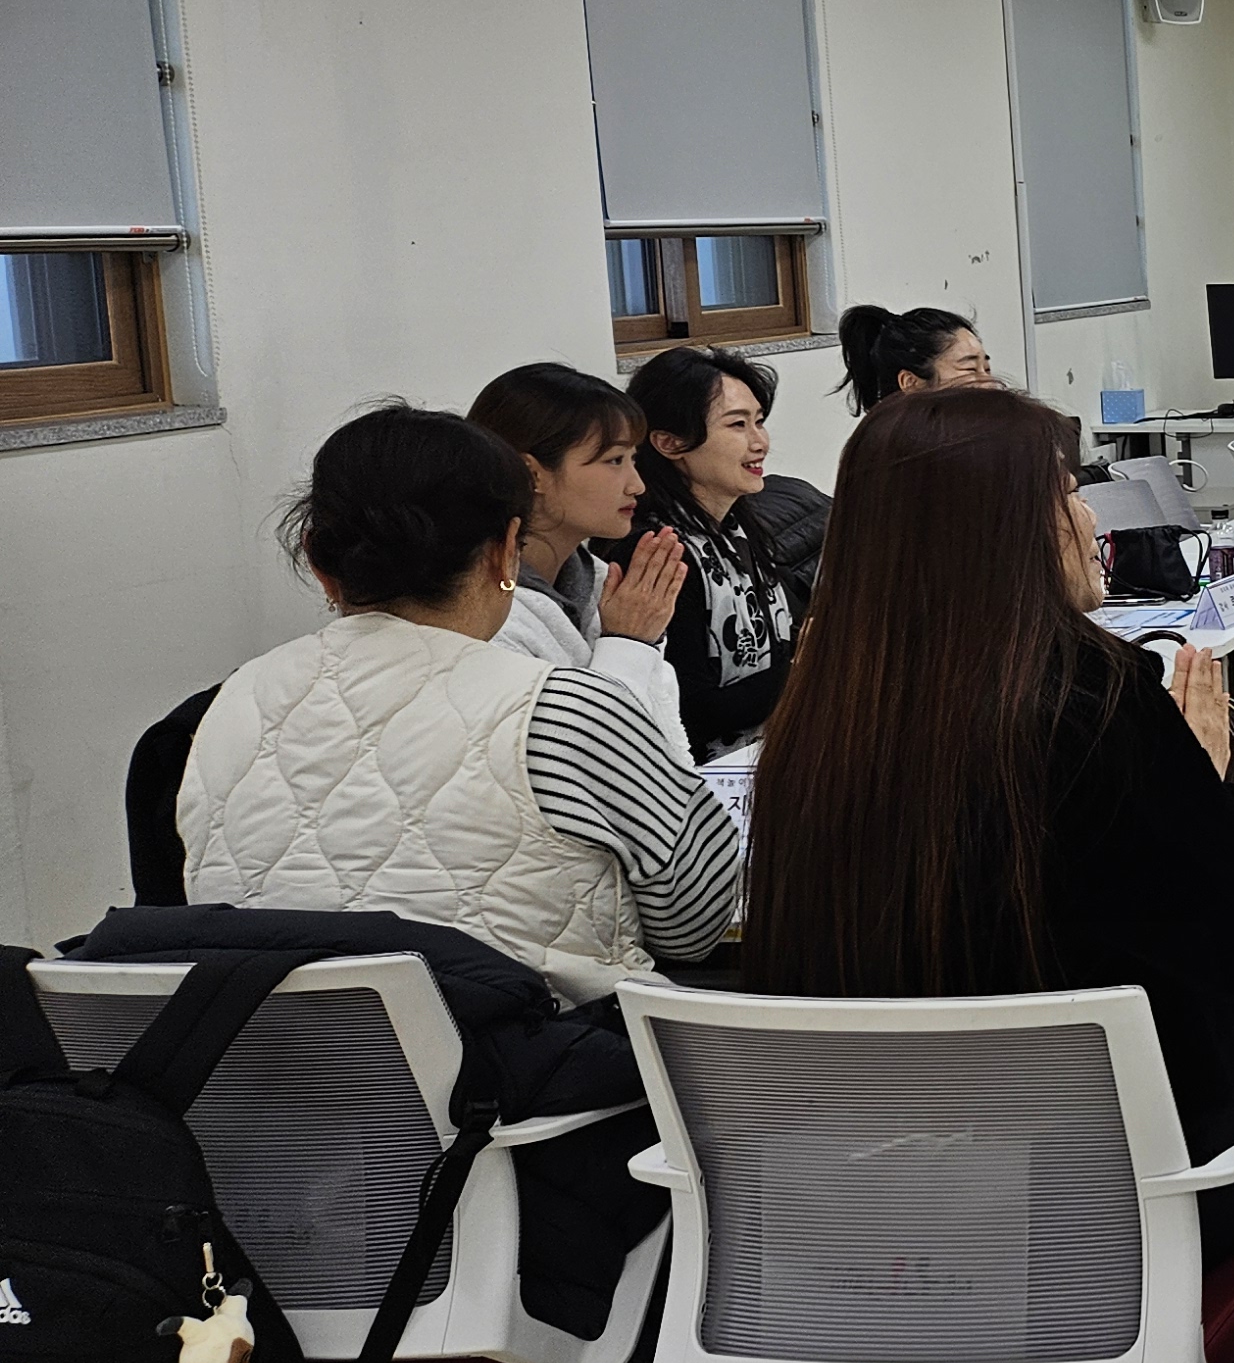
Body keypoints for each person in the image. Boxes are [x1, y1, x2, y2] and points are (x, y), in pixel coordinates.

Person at [740, 384, 1234, 1363]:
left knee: (1019, 1087)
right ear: (1003, 530)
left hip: (869, 1224)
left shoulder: (814, 724)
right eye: (1064, 494)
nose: (1091, 520)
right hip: (1092, 1231)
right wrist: (1213, 782)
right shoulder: (1094, 701)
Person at [179, 406, 743, 989]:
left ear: (320, 565)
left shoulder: (234, 701)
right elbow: (695, 924)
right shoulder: (561, 709)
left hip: (283, 1042)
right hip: (538, 1040)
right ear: (506, 550)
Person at [470, 361, 690, 757]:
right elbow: (570, 764)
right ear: (531, 474)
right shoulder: (483, 616)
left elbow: (664, 734)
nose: (637, 485)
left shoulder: (601, 581)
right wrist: (627, 643)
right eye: (614, 460)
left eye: (633, 459)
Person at [623, 345, 799, 758]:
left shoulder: (738, 526)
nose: (760, 442)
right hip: (709, 773)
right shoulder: (658, 551)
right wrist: (806, 671)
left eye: (759, 422)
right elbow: (690, 710)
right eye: (737, 425)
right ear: (669, 443)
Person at [835, 302, 998, 415]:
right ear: (911, 383)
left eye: (987, 369)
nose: (990, 384)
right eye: (970, 369)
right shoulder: (894, 450)